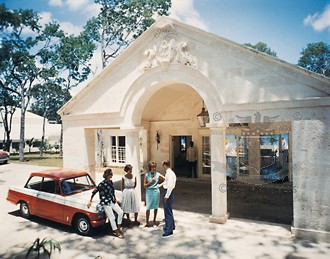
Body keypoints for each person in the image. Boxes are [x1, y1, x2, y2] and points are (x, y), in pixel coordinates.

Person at [87, 168, 124, 239]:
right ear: (107, 175)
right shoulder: (102, 184)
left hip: (111, 200)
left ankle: (119, 227)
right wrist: (90, 200)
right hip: (105, 202)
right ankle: (116, 231)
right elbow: (95, 191)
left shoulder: (111, 182)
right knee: (112, 217)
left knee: (120, 212)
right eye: (110, 174)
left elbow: (112, 191)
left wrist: (115, 199)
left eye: (112, 174)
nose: (112, 175)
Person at [144, 161, 165, 227]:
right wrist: (150, 182)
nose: (154, 168)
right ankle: (147, 221)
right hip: (149, 192)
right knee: (148, 207)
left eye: (155, 167)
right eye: (153, 167)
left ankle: (154, 220)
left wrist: (161, 184)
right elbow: (145, 185)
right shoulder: (147, 175)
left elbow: (165, 179)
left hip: (156, 191)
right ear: (150, 168)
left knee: (156, 206)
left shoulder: (157, 174)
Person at [161, 160, 177, 238]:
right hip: (167, 191)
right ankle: (172, 225)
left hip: (168, 192)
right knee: (169, 210)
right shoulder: (169, 173)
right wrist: (160, 185)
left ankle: (168, 230)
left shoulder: (169, 173)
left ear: (165, 165)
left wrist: (166, 196)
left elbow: (170, 186)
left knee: (167, 212)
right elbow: (166, 182)